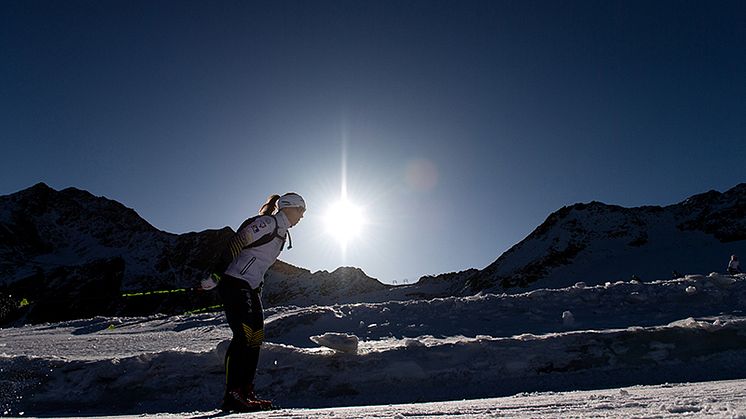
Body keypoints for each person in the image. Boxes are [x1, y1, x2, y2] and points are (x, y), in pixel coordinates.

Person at [214, 192, 306, 412]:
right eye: (301, 211)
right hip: (234, 281)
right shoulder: (267, 223)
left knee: (256, 338)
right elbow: (237, 242)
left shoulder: (282, 234)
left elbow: (259, 264)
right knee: (244, 335)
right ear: (288, 208)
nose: (302, 217)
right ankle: (232, 395)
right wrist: (216, 274)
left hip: (250, 288)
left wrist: (257, 288)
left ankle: (245, 392)